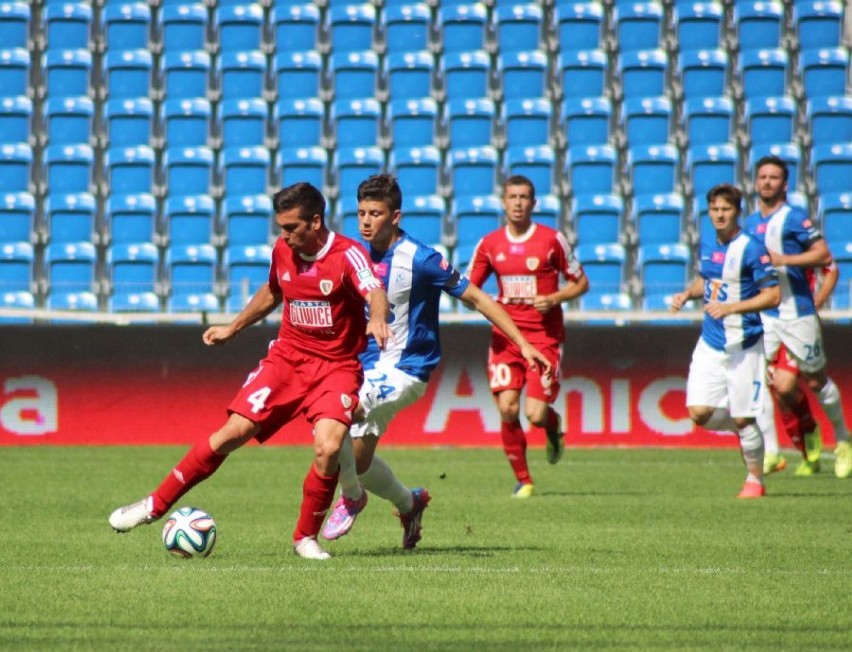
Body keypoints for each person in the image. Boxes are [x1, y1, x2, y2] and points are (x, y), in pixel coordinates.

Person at [108, 182, 392, 561]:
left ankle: (305, 538)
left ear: (316, 221)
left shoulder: (347, 254)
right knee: (232, 433)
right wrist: (233, 327)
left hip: (336, 368)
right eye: (281, 227)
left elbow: (375, 291)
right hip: (288, 360)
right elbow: (274, 291)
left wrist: (377, 319)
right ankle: (154, 505)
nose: (283, 235)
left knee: (327, 446)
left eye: (291, 227)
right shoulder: (283, 251)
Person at [320, 174, 552, 546]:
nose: (365, 221)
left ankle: (349, 499)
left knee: (344, 414)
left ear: (395, 216)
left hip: (406, 368)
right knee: (357, 462)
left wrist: (522, 343)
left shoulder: (422, 259)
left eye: (375, 213)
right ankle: (408, 503)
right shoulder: (353, 254)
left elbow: (478, 298)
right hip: (362, 365)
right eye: (361, 212)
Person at [466, 175, 589, 498]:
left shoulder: (551, 240)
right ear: (503, 202)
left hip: (544, 337)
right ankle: (524, 479)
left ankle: (552, 424)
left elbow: (581, 282)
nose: (518, 202)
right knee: (507, 408)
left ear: (534, 203)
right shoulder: (489, 244)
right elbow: (469, 288)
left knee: (534, 415)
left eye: (524, 197)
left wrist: (555, 298)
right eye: (513, 197)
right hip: (506, 337)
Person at [743, 156, 851, 479]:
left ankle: (843, 441)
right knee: (759, 381)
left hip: (797, 313)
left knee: (814, 381)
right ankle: (773, 452)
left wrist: (783, 259)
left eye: (773, 177)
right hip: (766, 315)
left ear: (784, 184)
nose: (766, 182)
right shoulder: (749, 224)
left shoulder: (794, 219)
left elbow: (824, 256)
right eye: (762, 176)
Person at [671, 183, 780, 498]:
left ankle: (755, 481)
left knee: (745, 415)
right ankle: (743, 430)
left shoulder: (752, 248)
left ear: (737, 212)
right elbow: (707, 279)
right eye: (715, 209)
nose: (720, 215)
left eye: (726, 209)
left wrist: (732, 307)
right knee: (698, 413)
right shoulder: (707, 242)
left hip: (744, 345)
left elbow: (772, 295)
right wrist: (687, 294)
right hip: (711, 342)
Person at [760, 262, 845, 476]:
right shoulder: (757, 235)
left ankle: (843, 441)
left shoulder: (797, 235)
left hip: (798, 321)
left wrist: (819, 299)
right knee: (780, 392)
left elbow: (830, 267)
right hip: (769, 321)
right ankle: (805, 448)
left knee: (796, 383)